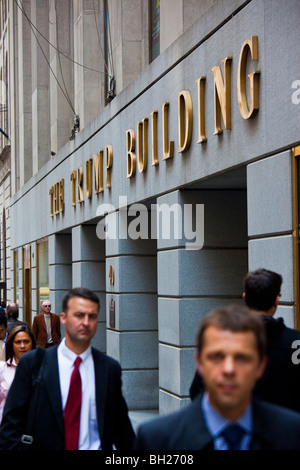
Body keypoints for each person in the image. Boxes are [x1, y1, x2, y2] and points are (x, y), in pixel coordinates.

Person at [136, 305, 300, 450]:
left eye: (242, 358)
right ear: (200, 363)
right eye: (217, 357)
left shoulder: (292, 432)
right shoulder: (157, 439)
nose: (229, 369)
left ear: (260, 365)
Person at [0, 287, 135, 450]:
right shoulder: (33, 364)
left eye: (91, 316)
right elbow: (10, 428)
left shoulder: (109, 369)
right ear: (63, 318)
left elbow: (124, 434)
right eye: (79, 315)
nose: (85, 322)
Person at [190, 268, 300, 413]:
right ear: (276, 300)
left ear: (245, 297)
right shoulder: (295, 342)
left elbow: (197, 391)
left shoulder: (223, 340)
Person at [0, 325, 36, 423]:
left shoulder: (41, 369)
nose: (22, 346)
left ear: (32, 344)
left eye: (26, 341)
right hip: (6, 426)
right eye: (18, 342)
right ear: (11, 345)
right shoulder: (2, 369)